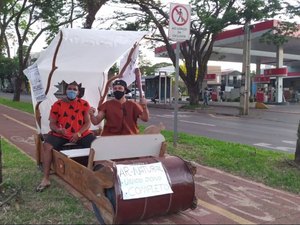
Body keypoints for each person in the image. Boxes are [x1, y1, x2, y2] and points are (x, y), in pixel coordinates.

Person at [36, 81, 96, 192]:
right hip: (61, 134)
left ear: (78, 92)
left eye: (74, 89)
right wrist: (58, 130)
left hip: (80, 134)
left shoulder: (84, 104)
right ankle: (46, 178)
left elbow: (87, 123)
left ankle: (95, 172)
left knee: (97, 145)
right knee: (47, 146)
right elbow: (52, 123)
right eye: (69, 89)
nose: (72, 91)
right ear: (65, 91)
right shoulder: (57, 104)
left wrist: (78, 134)